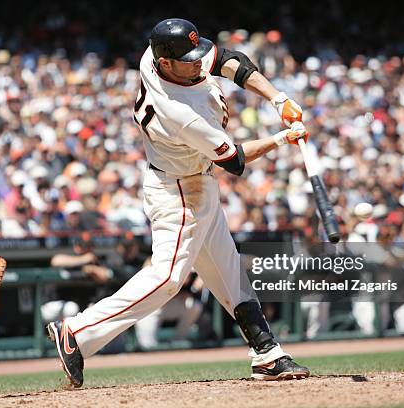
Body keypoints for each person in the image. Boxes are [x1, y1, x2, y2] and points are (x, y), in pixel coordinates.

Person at [47, 18, 310, 386]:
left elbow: (228, 59)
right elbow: (233, 159)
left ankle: (267, 353)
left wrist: (276, 97)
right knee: (169, 278)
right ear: (166, 63)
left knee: (230, 273)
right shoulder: (179, 113)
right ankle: (76, 331)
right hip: (180, 191)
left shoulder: (157, 57)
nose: (198, 62)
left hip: (195, 180)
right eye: (188, 58)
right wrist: (282, 139)